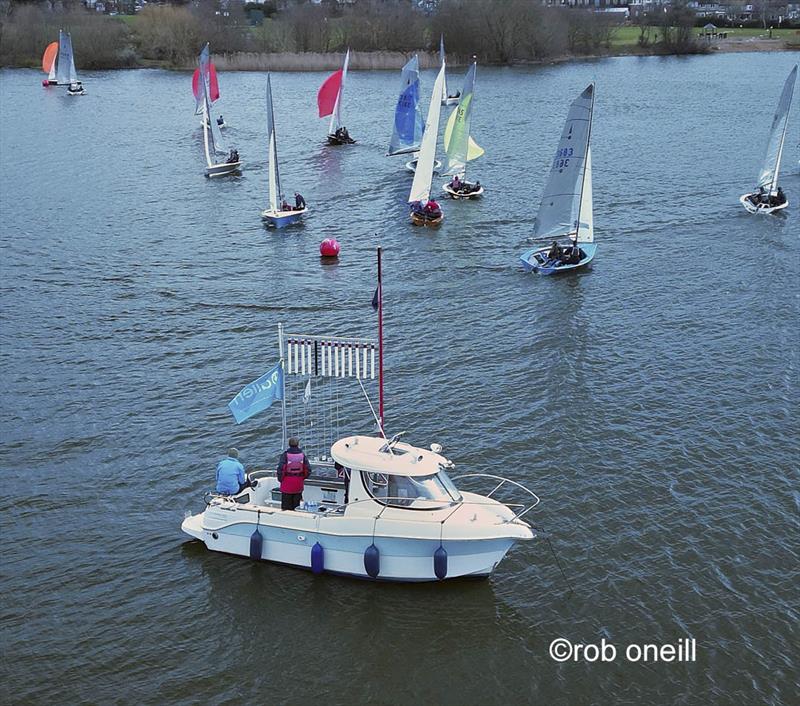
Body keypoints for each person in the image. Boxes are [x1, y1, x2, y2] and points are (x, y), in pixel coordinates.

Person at [277, 437, 312, 511]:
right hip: (298, 484)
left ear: (289, 444)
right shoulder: (302, 455)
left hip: (286, 484)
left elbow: (280, 469)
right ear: (298, 444)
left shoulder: (285, 455)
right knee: (297, 507)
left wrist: (281, 480)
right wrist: (302, 478)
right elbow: (308, 469)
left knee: (286, 508)